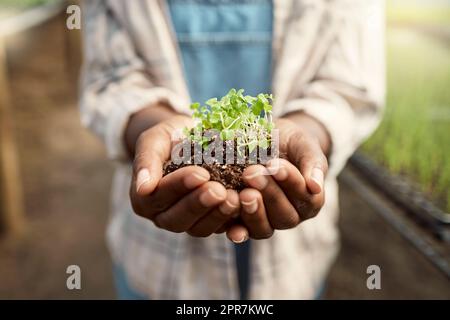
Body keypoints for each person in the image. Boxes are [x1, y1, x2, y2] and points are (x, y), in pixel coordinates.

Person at [80, 0, 385, 299]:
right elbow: (110, 80)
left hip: (293, 265)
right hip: (155, 264)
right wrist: (150, 128)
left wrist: (311, 132)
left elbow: (349, 88)